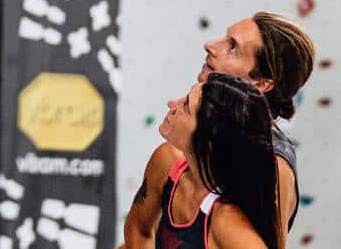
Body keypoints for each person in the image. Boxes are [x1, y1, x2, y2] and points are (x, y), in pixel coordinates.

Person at [121, 13, 316, 247]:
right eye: (226, 38)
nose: (210, 45)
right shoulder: (179, 148)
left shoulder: (273, 167)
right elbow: (143, 229)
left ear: (261, 83)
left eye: (233, 48)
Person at [133, 75, 287, 249]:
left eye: (185, 106)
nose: (172, 104)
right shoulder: (166, 161)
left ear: (208, 141)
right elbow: (139, 229)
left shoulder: (228, 223)